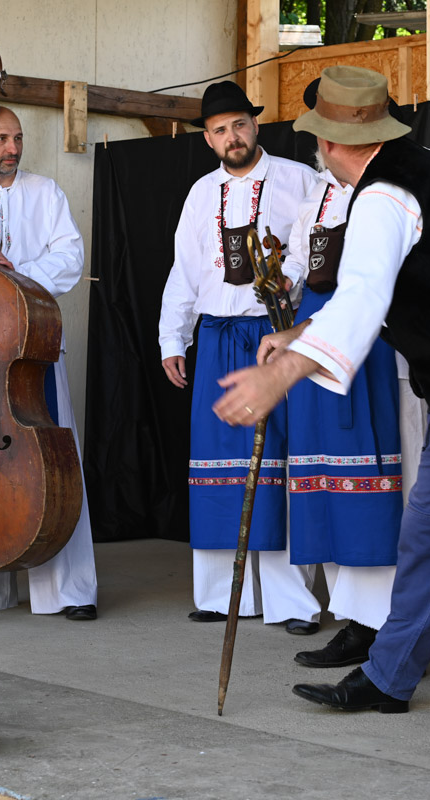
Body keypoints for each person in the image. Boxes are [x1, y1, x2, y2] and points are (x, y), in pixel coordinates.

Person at [213, 66, 430, 760]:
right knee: (427, 535)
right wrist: (299, 334)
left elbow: (362, 297)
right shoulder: (427, 167)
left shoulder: (382, 197)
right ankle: (389, 676)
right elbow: (407, 282)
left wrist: (280, 375)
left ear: (328, 142)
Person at [158, 81, 323, 633]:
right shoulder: (200, 193)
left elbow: (313, 251)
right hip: (215, 336)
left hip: (273, 336)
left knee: (274, 462)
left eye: (240, 125)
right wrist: (172, 339)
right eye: (220, 130)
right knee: (216, 461)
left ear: (255, 126)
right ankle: (219, 596)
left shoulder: (299, 180)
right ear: (208, 139)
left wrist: (288, 283)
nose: (232, 137)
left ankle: (290, 602)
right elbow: (184, 270)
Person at [282, 79, 405, 669]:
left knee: (370, 483)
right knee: (324, 480)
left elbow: (376, 287)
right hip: (317, 337)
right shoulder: (316, 195)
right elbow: (299, 262)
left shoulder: (389, 192)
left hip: (370, 346)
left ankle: (381, 625)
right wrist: (281, 286)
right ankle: (351, 616)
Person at [0, 106, 99, 621]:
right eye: (2, 138)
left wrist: (18, 274)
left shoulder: (45, 192)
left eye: (18, 138)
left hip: (34, 347)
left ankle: (69, 590)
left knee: (54, 462)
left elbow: (70, 257)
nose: (13, 148)